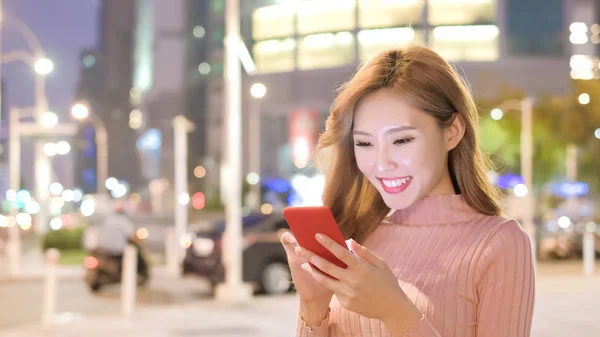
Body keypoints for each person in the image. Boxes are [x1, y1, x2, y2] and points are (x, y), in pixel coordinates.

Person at [281, 45, 535, 337]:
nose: (382, 163)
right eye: (364, 143)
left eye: (401, 140)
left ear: (452, 131)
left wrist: (395, 311)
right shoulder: (359, 236)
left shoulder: (498, 244)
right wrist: (313, 305)